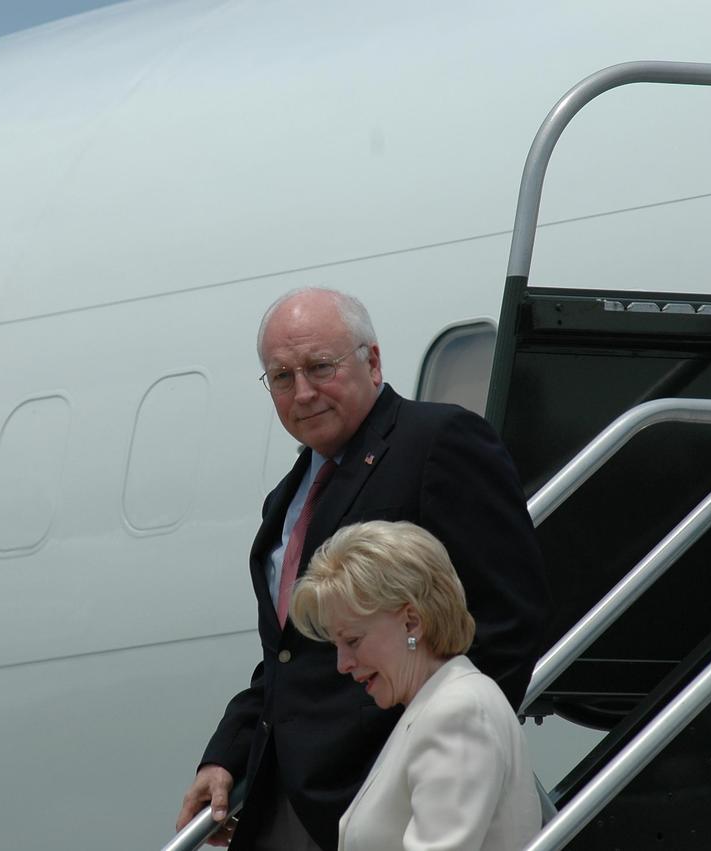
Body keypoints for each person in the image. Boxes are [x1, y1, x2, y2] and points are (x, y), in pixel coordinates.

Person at [175, 287, 549, 850]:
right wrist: (228, 751)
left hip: (394, 793)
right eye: (281, 377)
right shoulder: (288, 496)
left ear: (372, 361)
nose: (302, 392)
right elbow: (287, 655)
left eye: (320, 367)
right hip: (290, 798)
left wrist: (437, 757)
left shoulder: (438, 443)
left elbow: (510, 621)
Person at [291, 520, 541, 851]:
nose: (342, 664)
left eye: (352, 640)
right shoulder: (436, 705)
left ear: (412, 621)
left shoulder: (455, 712)